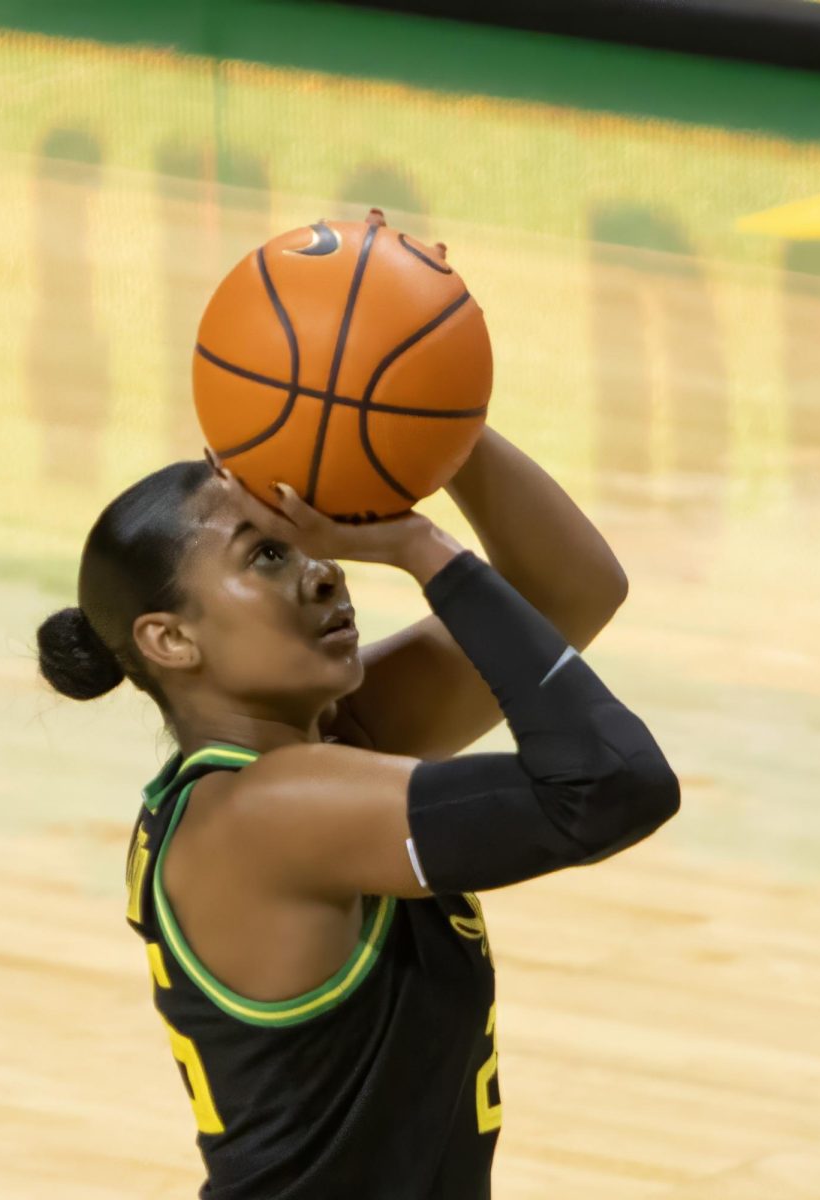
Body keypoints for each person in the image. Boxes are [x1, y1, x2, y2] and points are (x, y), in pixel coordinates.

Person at [35, 436, 680, 1199]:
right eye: (268, 556)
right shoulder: (269, 817)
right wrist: (416, 544)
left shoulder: (315, 755)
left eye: (305, 542)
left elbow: (572, 589)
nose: (324, 570)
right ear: (170, 640)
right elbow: (611, 785)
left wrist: (442, 422)